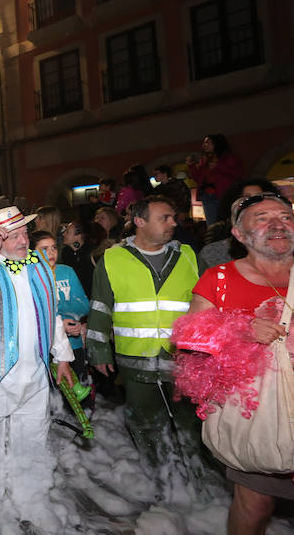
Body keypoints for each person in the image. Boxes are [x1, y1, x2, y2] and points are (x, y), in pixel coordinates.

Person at [0, 207, 74, 532]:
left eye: (25, 233)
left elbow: (52, 312)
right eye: (15, 235)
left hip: (34, 374)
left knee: (32, 438)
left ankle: (31, 499)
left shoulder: (39, 266)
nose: (24, 240)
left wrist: (61, 356)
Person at [186, 191, 294, 533]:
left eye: (287, 217)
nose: (278, 224)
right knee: (256, 505)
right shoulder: (219, 279)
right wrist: (241, 330)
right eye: (263, 218)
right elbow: (190, 340)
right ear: (239, 234)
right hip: (258, 413)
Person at [87, 196, 203, 469]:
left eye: (173, 217)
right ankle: (160, 479)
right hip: (135, 358)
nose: (173, 222)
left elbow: (207, 306)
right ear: (139, 221)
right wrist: (99, 350)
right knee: (145, 423)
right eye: (165, 217)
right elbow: (100, 307)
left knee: (192, 425)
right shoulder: (113, 259)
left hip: (184, 359)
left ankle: (202, 482)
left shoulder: (188, 255)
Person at [31, 230, 89, 381]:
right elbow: (33, 313)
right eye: (44, 249)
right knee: (53, 395)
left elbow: (83, 306)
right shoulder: (30, 277)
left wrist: (61, 314)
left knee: (78, 388)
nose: (51, 252)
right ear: (32, 253)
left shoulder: (67, 271)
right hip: (45, 348)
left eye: (54, 247)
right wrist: (60, 323)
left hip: (73, 343)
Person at [186, 134, 243, 224]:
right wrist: (191, 166)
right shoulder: (204, 160)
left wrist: (219, 167)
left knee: (228, 222)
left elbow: (238, 174)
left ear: (216, 144)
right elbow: (198, 179)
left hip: (224, 195)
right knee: (212, 224)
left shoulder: (229, 157)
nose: (204, 145)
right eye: (204, 143)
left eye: (207, 142)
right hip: (207, 196)